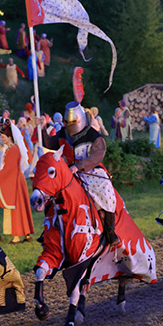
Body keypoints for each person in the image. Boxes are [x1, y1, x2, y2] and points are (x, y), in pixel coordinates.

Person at [42, 101, 120, 246]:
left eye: (73, 122)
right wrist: (43, 127)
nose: (70, 125)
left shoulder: (93, 135)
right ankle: (49, 230)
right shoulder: (64, 133)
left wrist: (80, 166)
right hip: (68, 172)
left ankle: (110, 232)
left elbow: (98, 154)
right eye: (68, 122)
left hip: (91, 171)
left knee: (106, 191)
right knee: (48, 191)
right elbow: (49, 143)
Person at [0, 119, 34, 244]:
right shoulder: (10, 149)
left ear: (9, 136)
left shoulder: (13, 149)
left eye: (4, 136)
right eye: (1, 136)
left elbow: (9, 169)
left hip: (15, 180)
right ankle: (26, 234)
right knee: (20, 207)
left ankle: (17, 236)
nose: (2, 139)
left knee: (16, 208)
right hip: (15, 179)